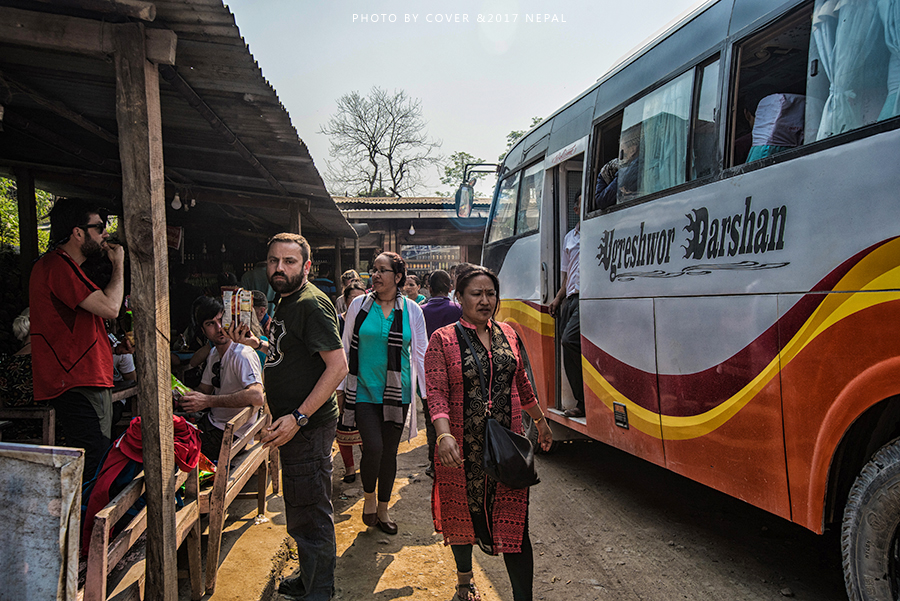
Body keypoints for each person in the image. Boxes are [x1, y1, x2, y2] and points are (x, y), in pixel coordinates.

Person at [227, 233, 348, 601]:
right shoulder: (286, 299)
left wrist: (298, 416)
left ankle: (319, 591)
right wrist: (257, 344)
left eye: (290, 261)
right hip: (292, 426)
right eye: (273, 261)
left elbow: (338, 367)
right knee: (299, 505)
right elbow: (288, 350)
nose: (280, 268)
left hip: (306, 426)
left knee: (311, 512)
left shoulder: (311, 304)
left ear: (307, 266)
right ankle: (309, 577)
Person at [425, 265, 552, 601]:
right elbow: (435, 392)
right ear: (459, 298)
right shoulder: (443, 339)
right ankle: (465, 584)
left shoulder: (509, 334)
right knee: (461, 518)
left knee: (515, 525)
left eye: (490, 293)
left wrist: (540, 421)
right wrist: (443, 434)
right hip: (460, 448)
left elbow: (522, 382)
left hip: (506, 447)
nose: (485, 300)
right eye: (476, 294)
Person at [30, 198, 129, 482]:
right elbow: (110, 307)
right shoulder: (57, 266)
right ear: (77, 233)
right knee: (95, 463)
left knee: (94, 457)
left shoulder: (63, 267)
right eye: (98, 228)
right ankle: (91, 524)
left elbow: (76, 324)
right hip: (76, 379)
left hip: (76, 376)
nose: (105, 234)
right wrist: (119, 265)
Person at [338, 251, 427, 535]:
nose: (374, 275)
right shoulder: (359, 307)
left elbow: (421, 354)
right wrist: (340, 390)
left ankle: (384, 509)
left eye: (381, 270)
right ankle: (369, 499)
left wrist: (428, 395)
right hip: (363, 390)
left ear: (397, 277)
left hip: (397, 393)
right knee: (373, 447)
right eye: (373, 270)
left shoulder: (413, 310)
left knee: (389, 453)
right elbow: (344, 348)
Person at [179, 296, 264, 461]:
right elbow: (204, 389)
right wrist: (187, 396)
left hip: (230, 436)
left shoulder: (242, 354)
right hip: (214, 425)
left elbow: (257, 396)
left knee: (171, 445)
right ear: (203, 331)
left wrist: (207, 401)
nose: (218, 328)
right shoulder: (213, 354)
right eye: (210, 324)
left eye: (221, 320)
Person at [419, 269, 463, 477]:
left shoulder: (420, 310)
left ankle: (434, 463)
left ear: (429, 288)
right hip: (457, 370)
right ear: (450, 288)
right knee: (455, 414)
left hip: (428, 373)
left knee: (432, 417)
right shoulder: (458, 309)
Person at [549, 191, 585, 418]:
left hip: (586, 298)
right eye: (582, 203)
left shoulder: (597, 231)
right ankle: (582, 402)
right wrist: (558, 298)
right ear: (575, 210)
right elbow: (567, 275)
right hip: (571, 298)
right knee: (567, 348)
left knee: (569, 340)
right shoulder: (569, 238)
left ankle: (585, 399)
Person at [336, 282, 367, 483]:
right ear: (345, 301)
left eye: (360, 298)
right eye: (352, 298)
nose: (356, 302)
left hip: (365, 380)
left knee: (366, 425)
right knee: (343, 426)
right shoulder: (337, 322)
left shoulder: (368, 321)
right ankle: (349, 468)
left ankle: (367, 464)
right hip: (342, 379)